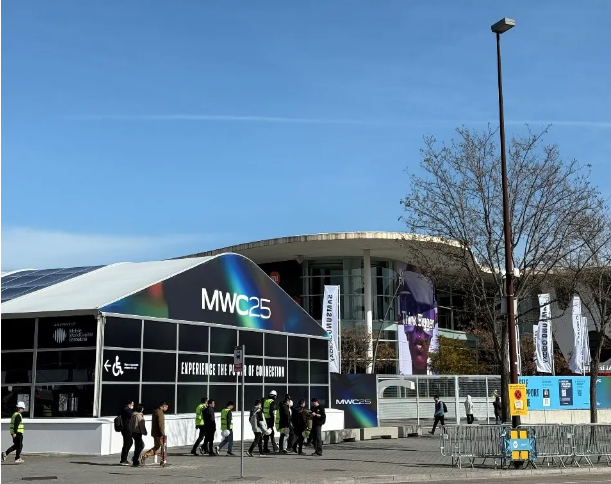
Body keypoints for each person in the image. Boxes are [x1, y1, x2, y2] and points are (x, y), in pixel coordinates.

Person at [119, 400, 134, 465]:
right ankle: (123, 459)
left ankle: (124, 458)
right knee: (127, 443)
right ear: (129, 404)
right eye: (132, 404)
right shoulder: (128, 410)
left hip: (125, 428)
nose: (132, 406)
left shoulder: (124, 409)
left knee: (129, 442)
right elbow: (132, 417)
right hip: (127, 428)